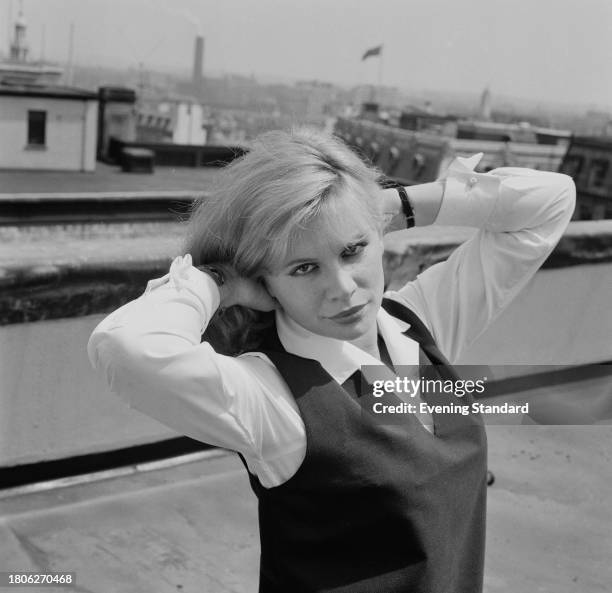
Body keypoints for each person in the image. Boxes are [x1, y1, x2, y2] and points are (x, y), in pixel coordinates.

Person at [87, 128, 575, 592]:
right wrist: (214, 279)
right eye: (304, 268)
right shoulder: (277, 398)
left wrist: (382, 203)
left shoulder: (416, 324)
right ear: (264, 283)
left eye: (353, 249)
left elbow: (551, 201)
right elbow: (125, 347)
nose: (342, 289)